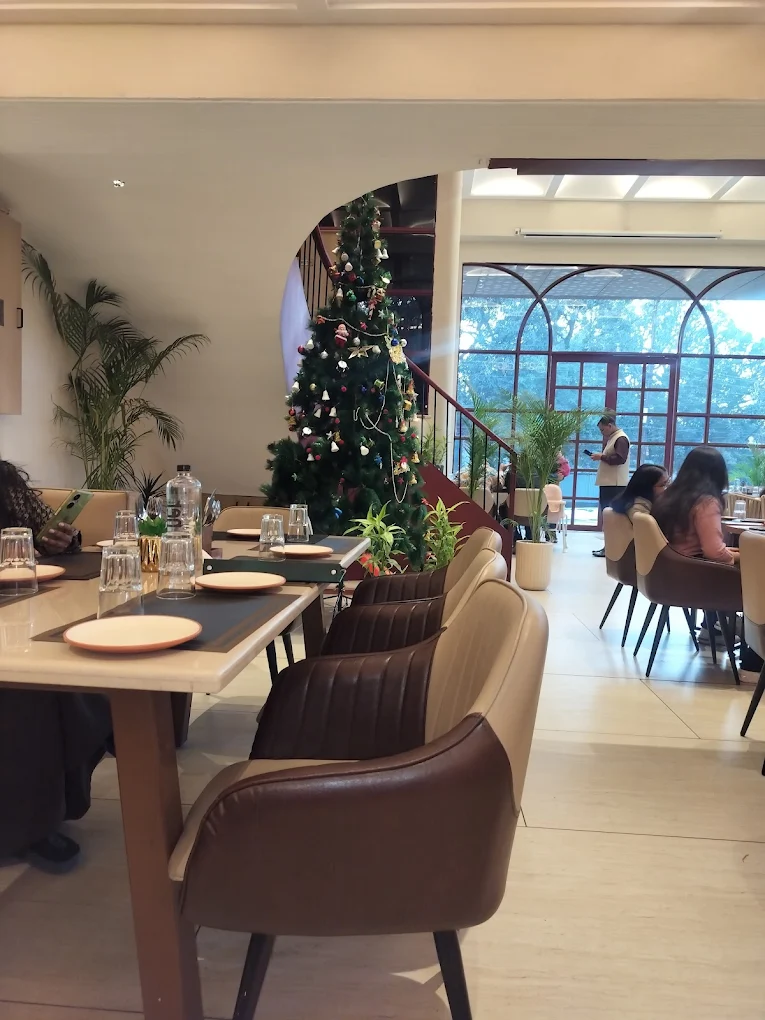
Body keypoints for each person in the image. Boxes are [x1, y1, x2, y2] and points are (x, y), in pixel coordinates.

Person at [0, 459, 112, 871]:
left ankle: (47, 808)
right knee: (27, 693)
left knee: (64, 671)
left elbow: (47, 532)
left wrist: (59, 541)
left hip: (16, 608)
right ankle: (29, 826)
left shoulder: (3, 478)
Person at [652, 446, 737, 565]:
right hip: (692, 569)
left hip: (665, 567)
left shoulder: (668, 496)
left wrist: (728, 552)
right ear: (719, 475)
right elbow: (715, 553)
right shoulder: (707, 503)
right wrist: (743, 557)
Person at [591, 415, 631, 557]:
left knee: (612, 518)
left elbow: (620, 458)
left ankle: (612, 548)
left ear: (610, 425)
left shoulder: (621, 438)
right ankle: (608, 547)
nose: (602, 433)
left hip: (615, 485)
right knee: (608, 517)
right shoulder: (613, 438)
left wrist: (601, 456)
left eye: (603, 430)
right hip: (609, 483)